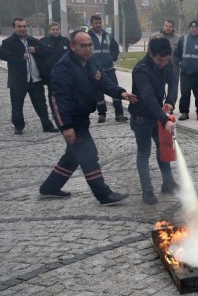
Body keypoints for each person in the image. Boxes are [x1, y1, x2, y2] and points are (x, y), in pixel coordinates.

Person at [39, 30, 136, 205]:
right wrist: (66, 127)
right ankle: (103, 195)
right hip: (72, 119)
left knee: (73, 155)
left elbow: (103, 81)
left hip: (82, 115)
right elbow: (57, 100)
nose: (88, 49)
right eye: (83, 45)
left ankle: (49, 188)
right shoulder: (63, 68)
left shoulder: (92, 62)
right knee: (88, 154)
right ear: (72, 46)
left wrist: (121, 93)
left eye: (90, 45)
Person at [129, 37, 179, 205]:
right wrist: (165, 120)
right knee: (144, 153)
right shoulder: (140, 70)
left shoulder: (166, 62)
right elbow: (148, 98)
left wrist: (170, 102)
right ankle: (147, 191)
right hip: (142, 117)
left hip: (159, 115)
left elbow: (173, 81)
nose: (163, 64)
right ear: (151, 54)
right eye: (159, 60)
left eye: (166, 60)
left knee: (163, 149)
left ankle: (168, 183)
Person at [0, 18, 59, 135]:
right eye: (19, 26)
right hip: (18, 81)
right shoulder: (8, 42)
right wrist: (20, 57)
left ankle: (47, 125)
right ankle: (18, 126)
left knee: (41, 104)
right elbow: (3, 55)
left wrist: (36, 50)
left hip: (35, 79)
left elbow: (47, 50)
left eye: (24, 26)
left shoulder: (32, 40)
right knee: (17, 105)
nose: (22, 29)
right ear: (14, 28)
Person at [88, 14, 126, 123]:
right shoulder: (88, 37)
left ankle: (119, 114)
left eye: (99, 23)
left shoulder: (108, 36)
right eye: (95, 23)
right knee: (98, 93)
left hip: (109, 69)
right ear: (92, 24)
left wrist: (112, 58)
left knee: (115, 90)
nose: (98, 25)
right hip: (95, 70)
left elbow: (115, 48)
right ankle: (102, 114)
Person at [174, 20, 198, 121]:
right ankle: (184, 112)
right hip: (185, 72)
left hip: (197, 73)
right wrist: (180, 63)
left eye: (196, 28)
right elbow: (176, 54)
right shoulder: (183, 39)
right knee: (185, 93)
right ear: (189, 28)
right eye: (192, 27)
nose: (194, 29)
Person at [40, 22, 71, 123]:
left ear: (60, 29)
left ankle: (67, 112)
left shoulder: (66, 41)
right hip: (51, 75)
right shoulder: (43, 41)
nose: (55, 31)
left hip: (65, 74)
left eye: (57, 29)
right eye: (53, 29)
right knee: (53, 96)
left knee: (67, 94)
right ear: (49, 31)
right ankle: (55, 113)